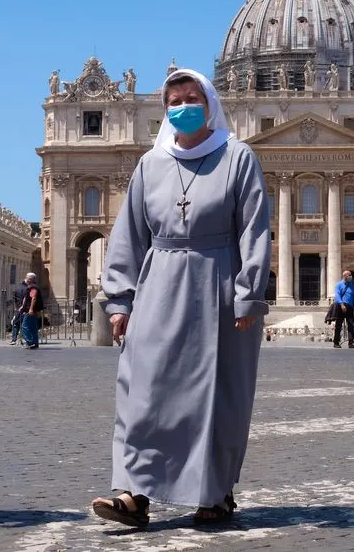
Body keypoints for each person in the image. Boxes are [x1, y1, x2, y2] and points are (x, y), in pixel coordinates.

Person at [90, 68, 271, 528]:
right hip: (159, 284)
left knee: (216, 392)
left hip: (219, 285)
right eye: (175, 101)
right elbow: (128, 235)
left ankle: (216, 491)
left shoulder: (238, 157)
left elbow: (254, 229)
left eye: (192, 98)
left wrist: (249, 295)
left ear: (210, 104)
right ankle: (134, 493)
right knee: (143, 390)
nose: (184, 107)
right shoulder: (150, 164)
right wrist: (119, 300)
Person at [332, 270, 354, 348]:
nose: (351, 277)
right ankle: (336, 342)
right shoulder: (339, 285)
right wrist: (341, 304)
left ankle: (351, 342)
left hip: (350, 307)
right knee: (338, 325)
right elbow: (337, 295)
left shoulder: (352, 285)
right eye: (349, 275)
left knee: (351, 325)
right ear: (345, 276)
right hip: (341, 306)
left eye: (351, 275)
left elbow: (353, 297)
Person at [19, 272, 45, 349]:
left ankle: (30, 342)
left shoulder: (33, 288)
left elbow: (33, 298)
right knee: (33, 327)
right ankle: (35, 343)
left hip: (30, 311)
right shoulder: (32, 287)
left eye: (26, 278)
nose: (26, 279)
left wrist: (30, 309)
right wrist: (23, 306)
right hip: (34, 310)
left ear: (29, 279)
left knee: (24, 326)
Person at [9, 277, 28, 345]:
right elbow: (26, 299)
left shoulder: (17, 289)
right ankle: (25, 339)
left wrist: (16, 307)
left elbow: (14, 299)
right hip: (26, 309)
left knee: (16, 323)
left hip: (18, 309)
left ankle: (14, 339)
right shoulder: (27, 289)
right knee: (24, 324)